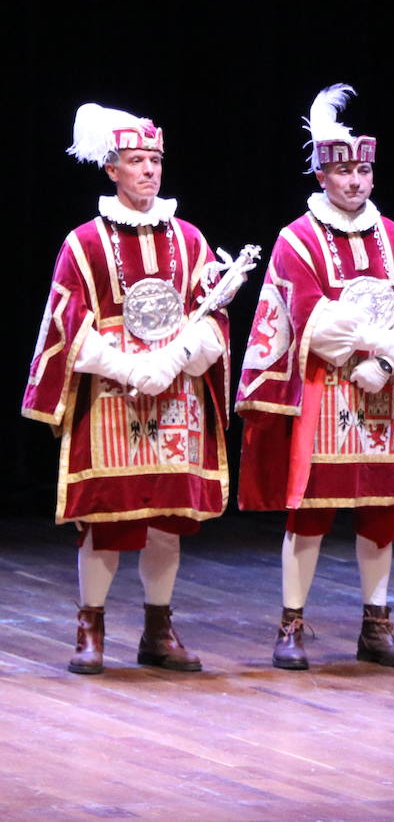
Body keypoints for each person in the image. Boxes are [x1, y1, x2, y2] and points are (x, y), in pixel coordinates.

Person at [236, 84, 394, 671]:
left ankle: (376, 625)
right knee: (310, 513)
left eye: (363, 171)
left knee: (382, 514)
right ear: (323, 178)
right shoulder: (296, 239)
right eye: (344, 172)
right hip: (325, 395)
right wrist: (375, 347)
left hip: (387, 399)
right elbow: (308, 315)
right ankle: (292, 624)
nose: (355, 182)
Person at [23, 103, 238, 674]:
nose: (149, 171)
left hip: (175, 395)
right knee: (107, 516)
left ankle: (157, 630)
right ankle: (89, 628)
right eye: (137, 161)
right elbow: (66, 323)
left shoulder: (189, 239)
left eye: (155, 161)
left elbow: (213, 318)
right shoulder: (84, 243)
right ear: (111, 169)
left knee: (167, 517)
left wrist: (174, 361)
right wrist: (125, 367)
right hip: (111, 393)